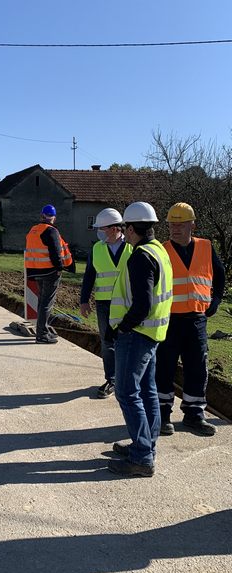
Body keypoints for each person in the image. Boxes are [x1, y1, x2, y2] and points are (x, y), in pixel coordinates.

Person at [107, 201, 173, 477]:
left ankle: (142, 457)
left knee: (126, 392)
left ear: (132, 229)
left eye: (125, 228)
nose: (124, 233)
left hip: (136, 334)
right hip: (153, 333)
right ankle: (145, 445)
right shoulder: (159, 251)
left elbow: (142, 304)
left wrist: (122, 328)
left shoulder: (140, 257)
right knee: (147, 391)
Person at [155, 203, 226, 437]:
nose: (175, 229)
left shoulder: (206, 247)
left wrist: (216, 299)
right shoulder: (162, 250)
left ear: (192, 225)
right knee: (164, 367)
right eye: (171, 225)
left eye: (180, 225)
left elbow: (220, 275)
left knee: (197, 367)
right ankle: (162, 415)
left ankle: (194, 415)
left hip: (196, 319)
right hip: (169, 319)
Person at [80, 208, 132, 398]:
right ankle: (112, 379)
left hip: (128, 304)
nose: (99, 231)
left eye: (101, 228)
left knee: (129, 341)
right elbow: (89, 276)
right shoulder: (97, 248)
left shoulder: (132, 247)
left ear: (114, 228)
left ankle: (129, 378)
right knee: (107, 342)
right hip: (104, 304)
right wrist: (84, 300)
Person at [25, 204, 74, 345]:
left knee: (42, 301)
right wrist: (59, 268)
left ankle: (42, 330)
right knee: (46, 303)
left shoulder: (33, 230)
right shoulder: (51, 231)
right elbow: (56, 252)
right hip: (50, 272)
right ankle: (42, 335)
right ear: (54, 218)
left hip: (36, 271)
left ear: (41, 216)